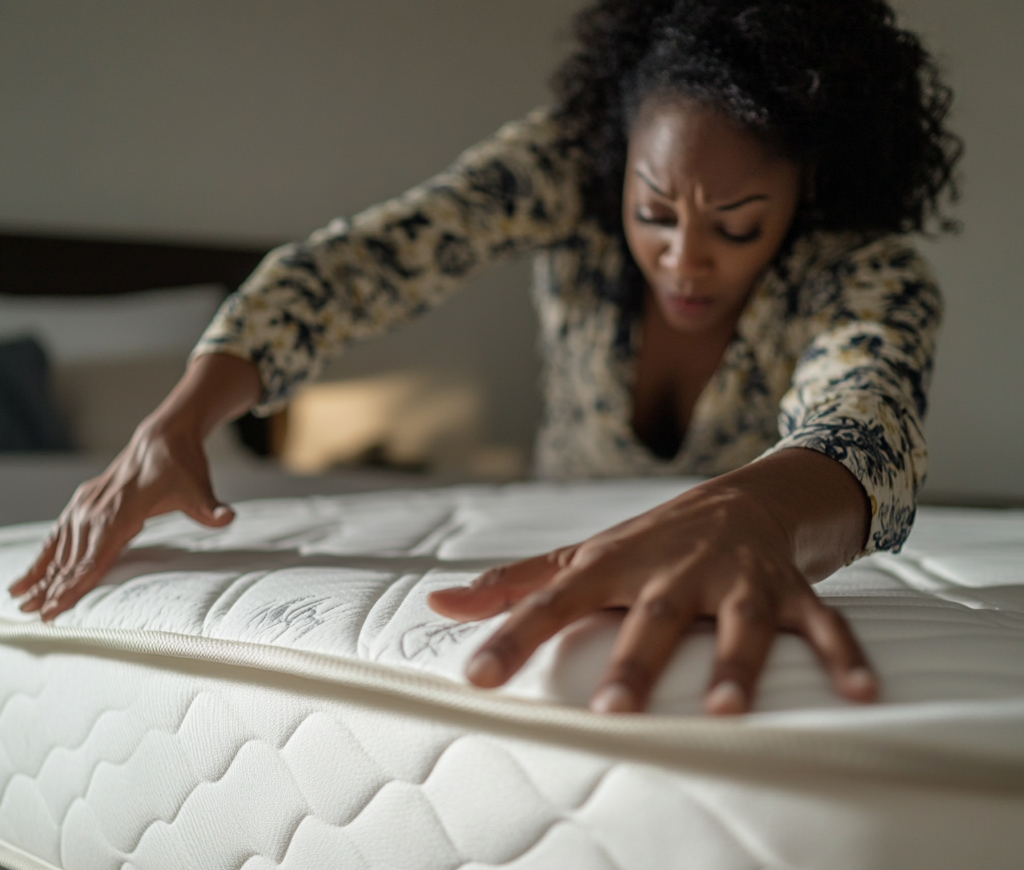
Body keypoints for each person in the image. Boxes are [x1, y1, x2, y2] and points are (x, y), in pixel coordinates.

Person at [8, 0, 961, 716]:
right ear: (615, 163)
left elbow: (868, 413)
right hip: (558, 502)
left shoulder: (867, 271)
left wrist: (752, 510)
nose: (684, 257)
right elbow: (360, 266)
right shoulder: (559, 167)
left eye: (738, 224)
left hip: (757, 535)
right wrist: (174, 421)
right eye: (653, 211)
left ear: (809, 194)